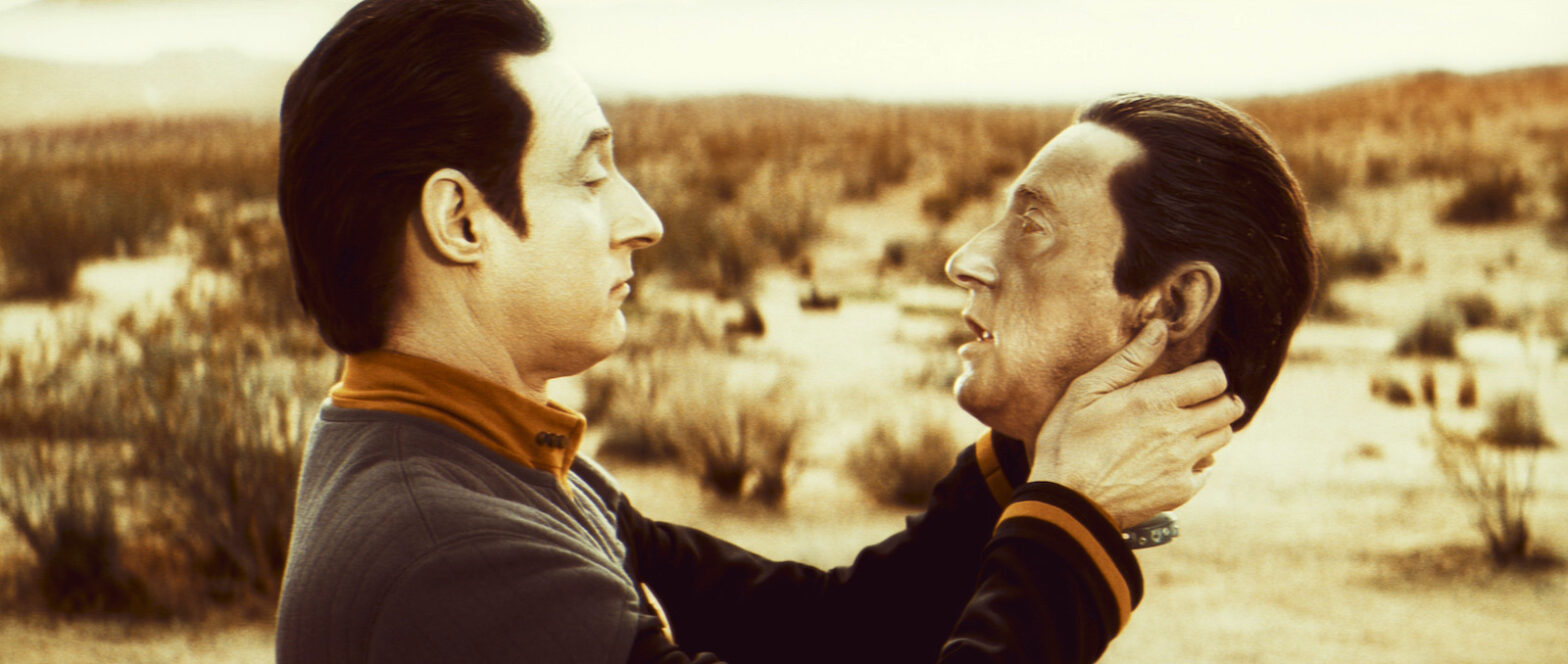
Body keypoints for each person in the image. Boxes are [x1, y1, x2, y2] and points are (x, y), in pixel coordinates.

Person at [272, 1, 1280, 662]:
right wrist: (1068, 528)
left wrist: (1033, 468)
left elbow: (826, 629)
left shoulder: (494, 466)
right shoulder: (460, 557)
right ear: (460, 221)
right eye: (590, 175)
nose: (643, 219)